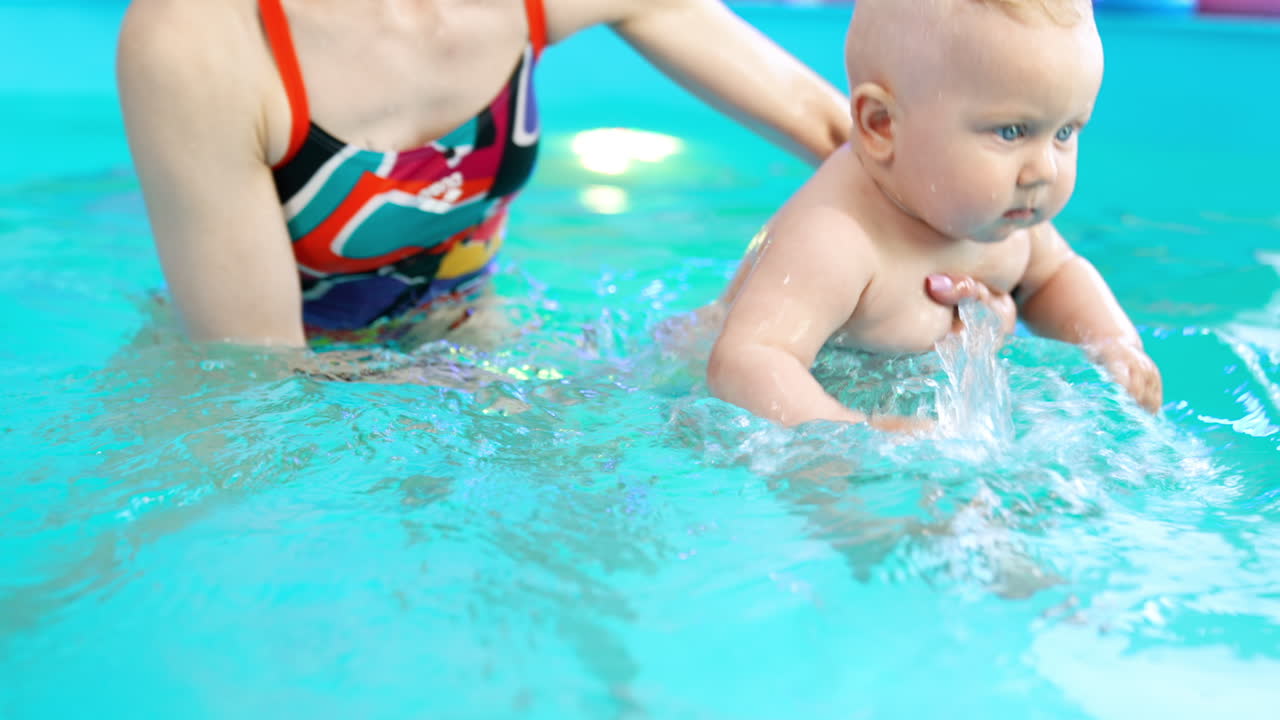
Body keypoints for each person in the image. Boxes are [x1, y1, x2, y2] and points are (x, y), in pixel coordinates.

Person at [117, 0, 997, 357]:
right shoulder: (202, 40)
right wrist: (693, 346)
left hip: (470, 345)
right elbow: (259, 379)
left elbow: (839, 129)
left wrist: (1023, 245)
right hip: (270, 406)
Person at [705, 0, 1163, 428]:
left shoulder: (1005, 218)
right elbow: (747, 360)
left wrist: (1112, 342)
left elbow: (1056, 275)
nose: (1043, 169)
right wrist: (856, 435)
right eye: (1011, 131)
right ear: (881, 125)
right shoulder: (836, 239)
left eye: (1064, 131)